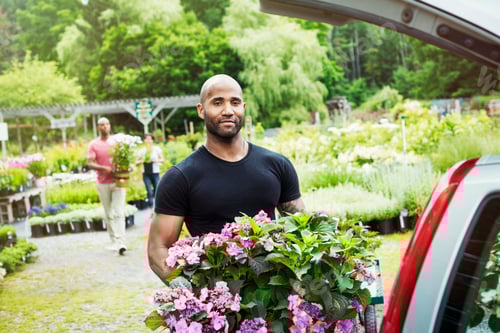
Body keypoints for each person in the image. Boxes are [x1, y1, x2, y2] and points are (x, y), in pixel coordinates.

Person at [147, 74, 305, 281]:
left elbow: (302, 228)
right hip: (218, 300)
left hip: (273, 296)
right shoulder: (180, 177)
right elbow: (158, 249)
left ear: (243, 107)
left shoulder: (277, 165)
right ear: (201, 110)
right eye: (217, 102)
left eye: (235, 102)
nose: (228, 111)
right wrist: (196, 297)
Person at [87, 117, 127, 255]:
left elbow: (125, 158)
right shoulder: (94, 144)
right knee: (109, 213)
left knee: (119, 212)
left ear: (110, 126)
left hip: (119, 181)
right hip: (103, 182)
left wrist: (126, 167)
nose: (105, 126)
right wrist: (105, 169)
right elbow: (90, 163)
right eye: (102, 125)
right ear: (98, 127)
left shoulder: (117, 142)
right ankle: (114, 240)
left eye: (107, 124)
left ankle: (121, 242)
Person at [135, 133, 165, 208]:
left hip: (155, 172)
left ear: (152, 140)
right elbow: (136, 162)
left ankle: (159, 206)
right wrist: (143, 161)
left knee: (157, 189)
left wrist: (156, 160)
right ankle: (151, 207)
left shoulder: (157, 149)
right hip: (146, 173)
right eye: (146, 139)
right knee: (149, 191)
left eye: (150, 139)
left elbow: (163, 160)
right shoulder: (142, 151)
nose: (148, 140)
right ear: (144, 140)